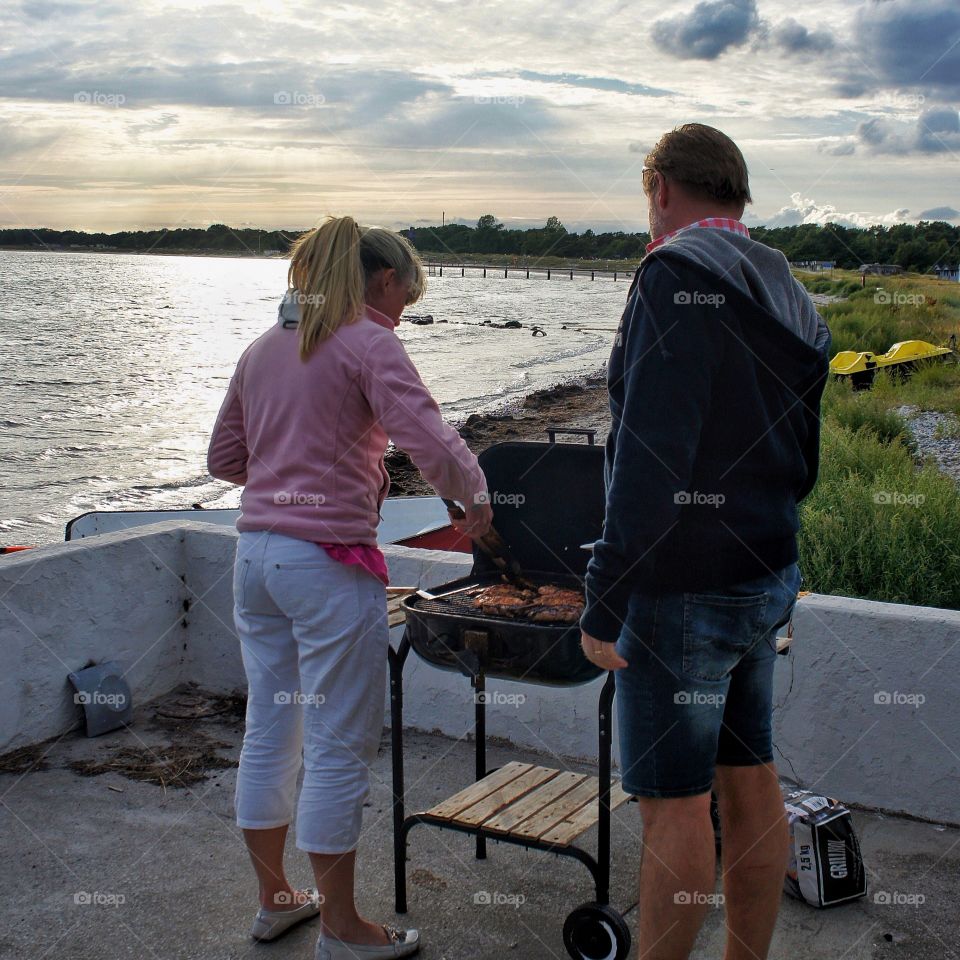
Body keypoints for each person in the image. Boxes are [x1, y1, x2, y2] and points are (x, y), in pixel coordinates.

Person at [207, 216, 492, 960]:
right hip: (327, 567)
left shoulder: (263, 346)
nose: (404, 309)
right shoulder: (370, 341)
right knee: (337, 745)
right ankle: (341, 929)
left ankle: (277, 901)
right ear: (385, 280)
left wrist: (286, 484)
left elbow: (224, 457)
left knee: (271, 729)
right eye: (407, 292)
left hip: (256, 560)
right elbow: (428, 437)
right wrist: (479, 503)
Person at [579, 124, 830, 960]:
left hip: (681, 585)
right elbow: (805, 460)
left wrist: (605, 595)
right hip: (765, 572)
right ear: (738, 192)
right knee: (749, 776)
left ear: (659, 188)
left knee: (675, 803)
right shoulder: (787, 287)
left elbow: (651, 455)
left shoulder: (674, 274)